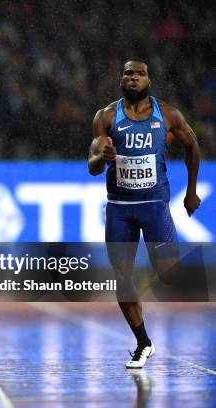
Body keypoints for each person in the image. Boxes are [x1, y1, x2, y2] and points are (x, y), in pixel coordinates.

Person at [88, 58, 201, 368]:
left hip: (154, 207)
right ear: (121, 79)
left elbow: (192, 146)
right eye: (128, 73)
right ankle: (143, 343)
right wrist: (103, 157)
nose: (134, 78)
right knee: (122, 280)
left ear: (149, 80)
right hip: (120, 210)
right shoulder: (107, 116)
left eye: (140, 74)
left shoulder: (168, 114)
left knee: (169, 274)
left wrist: (191, 192)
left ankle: (151, 275)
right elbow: (92, 165)